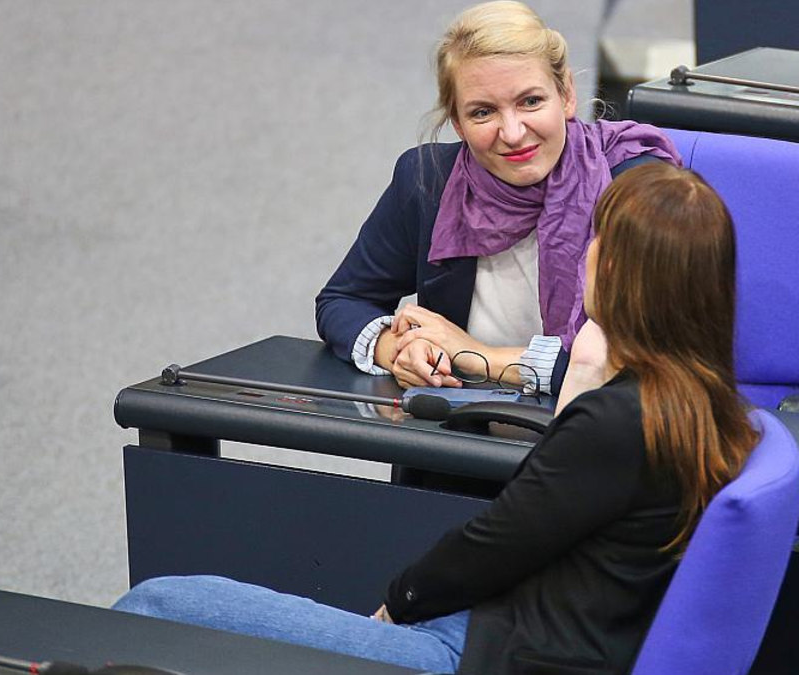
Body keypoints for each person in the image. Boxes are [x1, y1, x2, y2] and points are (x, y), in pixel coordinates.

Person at [114, 161, 762, 675]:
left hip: (481, 654)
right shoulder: (707, 408)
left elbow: (496, 541)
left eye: (597, 241)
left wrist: (396, 606)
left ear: (615, 270)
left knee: (160, 604)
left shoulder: (616, 422)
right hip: (536, 631)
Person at [314, 0, 681, 396]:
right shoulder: (427, 181)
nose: (513, 133)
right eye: (483, 113)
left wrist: (479, 356)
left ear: (567, 95)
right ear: (458, 123)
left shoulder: (635, 185)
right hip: (464, 421)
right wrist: (398, 349)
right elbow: (343, 300)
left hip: (598, 424)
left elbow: (652, 363)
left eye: (531, 102)